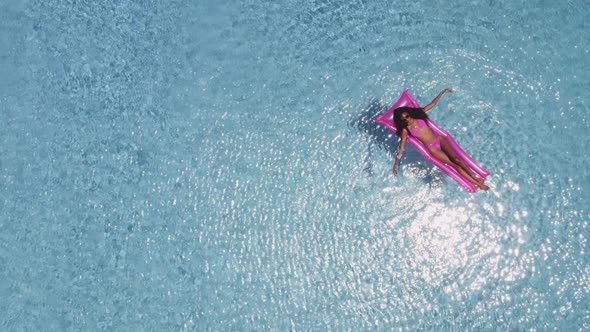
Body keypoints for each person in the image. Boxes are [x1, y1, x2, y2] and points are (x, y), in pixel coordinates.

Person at [392, 88, 489, 191]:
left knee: (456, 159)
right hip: (433, 149)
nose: (407, 119)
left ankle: (474, 176)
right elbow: (402, 147)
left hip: (440, 140)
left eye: (407, 116)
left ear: (409, 113)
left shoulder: (418, 115)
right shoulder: (405, 130)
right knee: (454, 165)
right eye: (404, 119)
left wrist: (442, 92)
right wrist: (396, 163)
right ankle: (478, 184)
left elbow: (432, 105)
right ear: (401, 121)